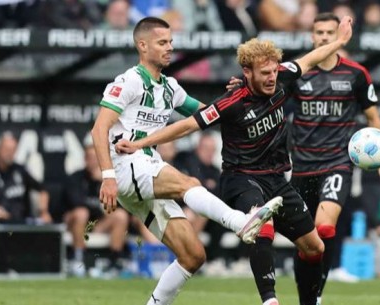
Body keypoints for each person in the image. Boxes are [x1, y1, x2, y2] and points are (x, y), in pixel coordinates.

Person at [116, 15, 354, 305]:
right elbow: (187, 125)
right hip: (242, 179)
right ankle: (269, 301)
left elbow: (310, 58)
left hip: (277, 179)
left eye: (273, 71)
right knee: (260, 226)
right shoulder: (231, 102)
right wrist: (141, 143)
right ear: (246, 72)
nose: (271, 78)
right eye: (264, 73)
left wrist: (340, 42)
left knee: (314, 247)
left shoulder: (282, 77)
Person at [91, 17, 281, 305]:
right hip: (126, 164)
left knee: (193, 256)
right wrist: (107, 176)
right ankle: (240, 223)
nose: (170, 48)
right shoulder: (129, 81)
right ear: (142, 46)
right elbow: (99, 128)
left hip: (145, 170)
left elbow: (209, 114)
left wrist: (243, 93)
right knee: (187, 183)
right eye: (162, 43)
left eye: (170, 42)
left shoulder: (170, 87)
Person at [287, 12, 380, 301]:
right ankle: (308, 298)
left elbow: (373, 118)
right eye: (319, 32)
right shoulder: (298, 73)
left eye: (329, 32)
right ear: (311, 36)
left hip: (337, 162)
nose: (323, 37)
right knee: (306, 241)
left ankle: (317, 294)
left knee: (324, 227)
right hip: (302, 166)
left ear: (338, 36)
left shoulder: (356, 74)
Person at [64, 144, 130, 277]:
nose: (93, 161)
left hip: (97, 224)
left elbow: (121, 206)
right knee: (81, 213)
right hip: (76, 224)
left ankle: (114, 262)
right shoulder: (76, 178)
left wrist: (101, 183)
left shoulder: (109, 180)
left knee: (121, 216)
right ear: (85, 159)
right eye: (90, 157)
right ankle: (78, 259)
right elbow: (76, 203)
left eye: (96, 158)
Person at [0, 132, 51, 224]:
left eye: (13, 150)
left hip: (22, 223)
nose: (9, 153)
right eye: (7, 149)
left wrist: (43, 211)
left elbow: (42, 189)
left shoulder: (19, 170)